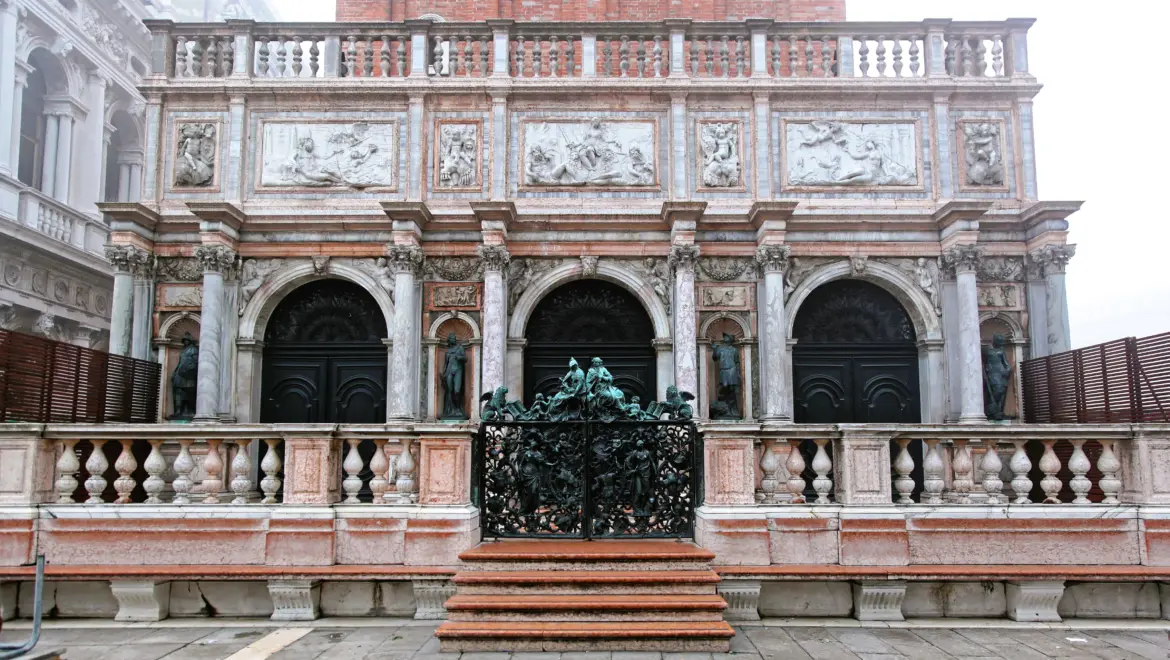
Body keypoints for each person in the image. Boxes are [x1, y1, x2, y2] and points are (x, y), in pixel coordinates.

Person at [169, 333, 198, 420]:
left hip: (188, 376)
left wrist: (187, 371)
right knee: (178, 393)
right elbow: (180, 363)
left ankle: (190, 411)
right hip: (180, 375)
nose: (185, 342)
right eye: (184, 340)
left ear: (190, 341)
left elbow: (195, 363)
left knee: (189, 394)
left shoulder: (193, 350)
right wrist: (175, 373)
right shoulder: (184, 351)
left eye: (186, 340)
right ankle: (178, 411)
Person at [440, 333, 467, 419]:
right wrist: (443, 373)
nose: (454, 339)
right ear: (449, 340)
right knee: (449, 391)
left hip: (458, 370)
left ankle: (458, 409)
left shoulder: (460, 348)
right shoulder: (447, 351)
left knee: (457, 391)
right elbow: (445, 364)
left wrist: (459, 358)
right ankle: (450, 410)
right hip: (449, 371)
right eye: (452, 338)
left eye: (454, 337)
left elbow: (465, 358)